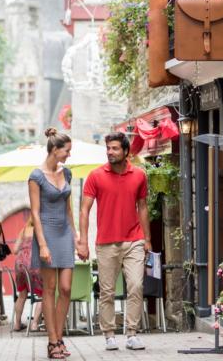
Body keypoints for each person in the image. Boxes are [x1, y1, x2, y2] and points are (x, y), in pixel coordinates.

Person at [77, 132, 151, 352]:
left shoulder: (139, 175)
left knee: (136, 286)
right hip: (106, 242)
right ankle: (109, 335)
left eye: (115, 148)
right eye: (108, 148)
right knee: (107, 291)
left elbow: (143, 207)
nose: (110, 152)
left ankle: (132, 333)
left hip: (134, 240)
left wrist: (147, 239)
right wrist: (83, 241)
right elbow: (84, 210)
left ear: (126, 151)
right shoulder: (96, 176)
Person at [29, 127, 76, 359]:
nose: (69, 155)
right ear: (55, 149)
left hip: (65, 233)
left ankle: (60, 336)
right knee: (49, 289)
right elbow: (35, 213)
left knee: (66, 288)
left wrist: (77, 238)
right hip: (45, 232)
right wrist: (43, 244)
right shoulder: (35, 176)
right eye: (66, 151)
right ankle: (52, 341)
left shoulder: (66, 173)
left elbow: (69, 209)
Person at [13, 215, 43, 332]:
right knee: (44, 294)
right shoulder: (41, 229)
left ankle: (17, 324)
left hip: (20, 264)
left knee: (22, 295)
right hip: (34, 263)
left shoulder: (24, 230)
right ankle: (34, 324)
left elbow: (15, 250)